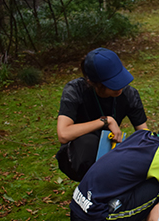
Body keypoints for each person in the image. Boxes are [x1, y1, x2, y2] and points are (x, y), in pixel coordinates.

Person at [56, 47, 148, 181]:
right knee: (89, 143)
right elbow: (63, 134)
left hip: (112, 150)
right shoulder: (75, 90)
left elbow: (143, 133)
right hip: (78, 155)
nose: (120, 86)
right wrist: (106, 120)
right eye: (112, 82)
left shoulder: (129, 94)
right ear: (93, 83)